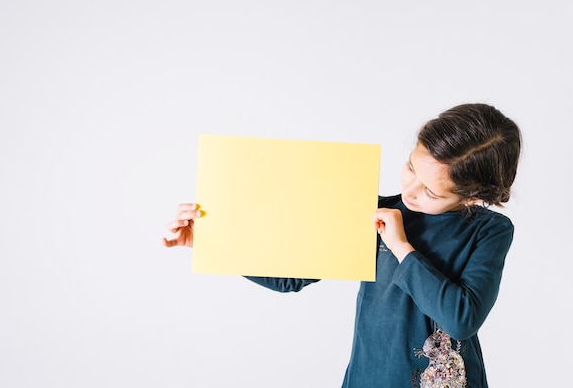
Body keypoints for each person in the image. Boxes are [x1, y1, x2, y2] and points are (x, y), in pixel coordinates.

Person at [162, 103, 522, 388]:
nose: (409, 191)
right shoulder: (374, 210)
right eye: (410, 168)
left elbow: (462, 319)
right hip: (369, 376)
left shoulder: (490, 231)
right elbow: (291, 278)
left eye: (430, 191)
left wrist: (400, 246)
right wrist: (209, 241)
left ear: (473, 196)